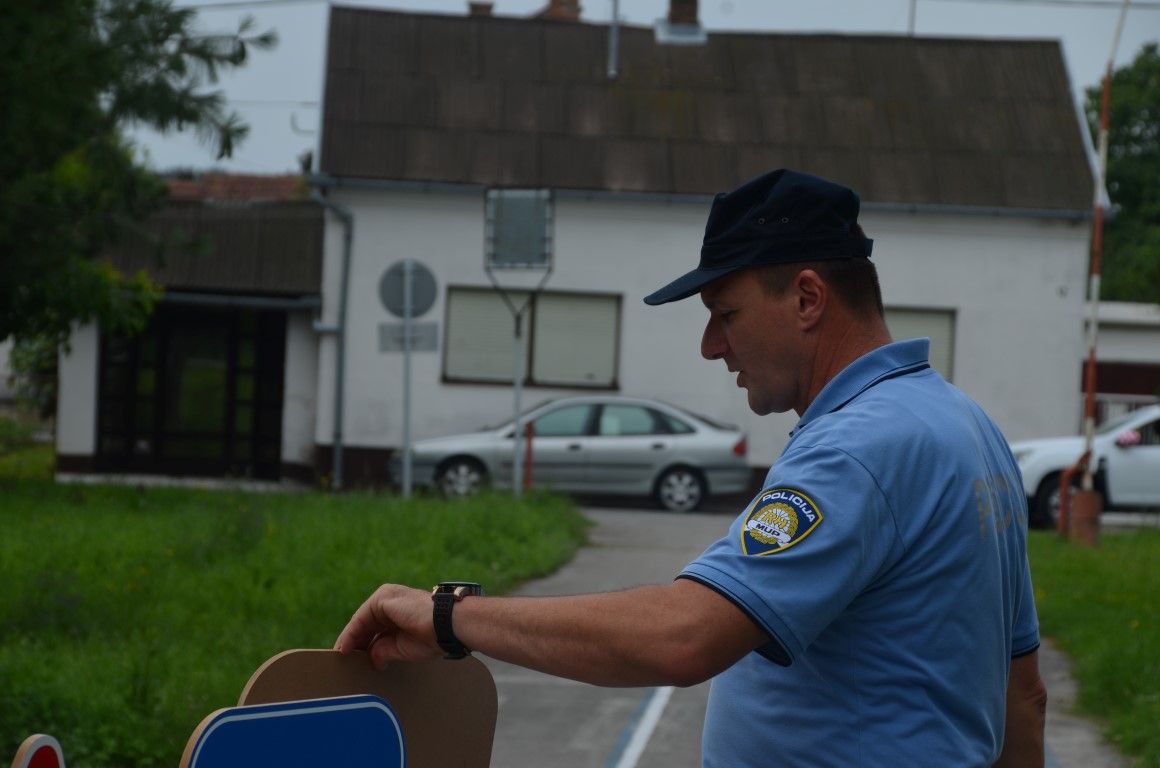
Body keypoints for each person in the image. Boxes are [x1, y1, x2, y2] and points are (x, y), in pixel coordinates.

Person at [335, 169, 1047, 767]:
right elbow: (1023, 694)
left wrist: (449, 618)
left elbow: (681, 637)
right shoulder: (965, 425)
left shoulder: (857, 447)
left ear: (807, 299)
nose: (711, 345)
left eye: (725, 313)